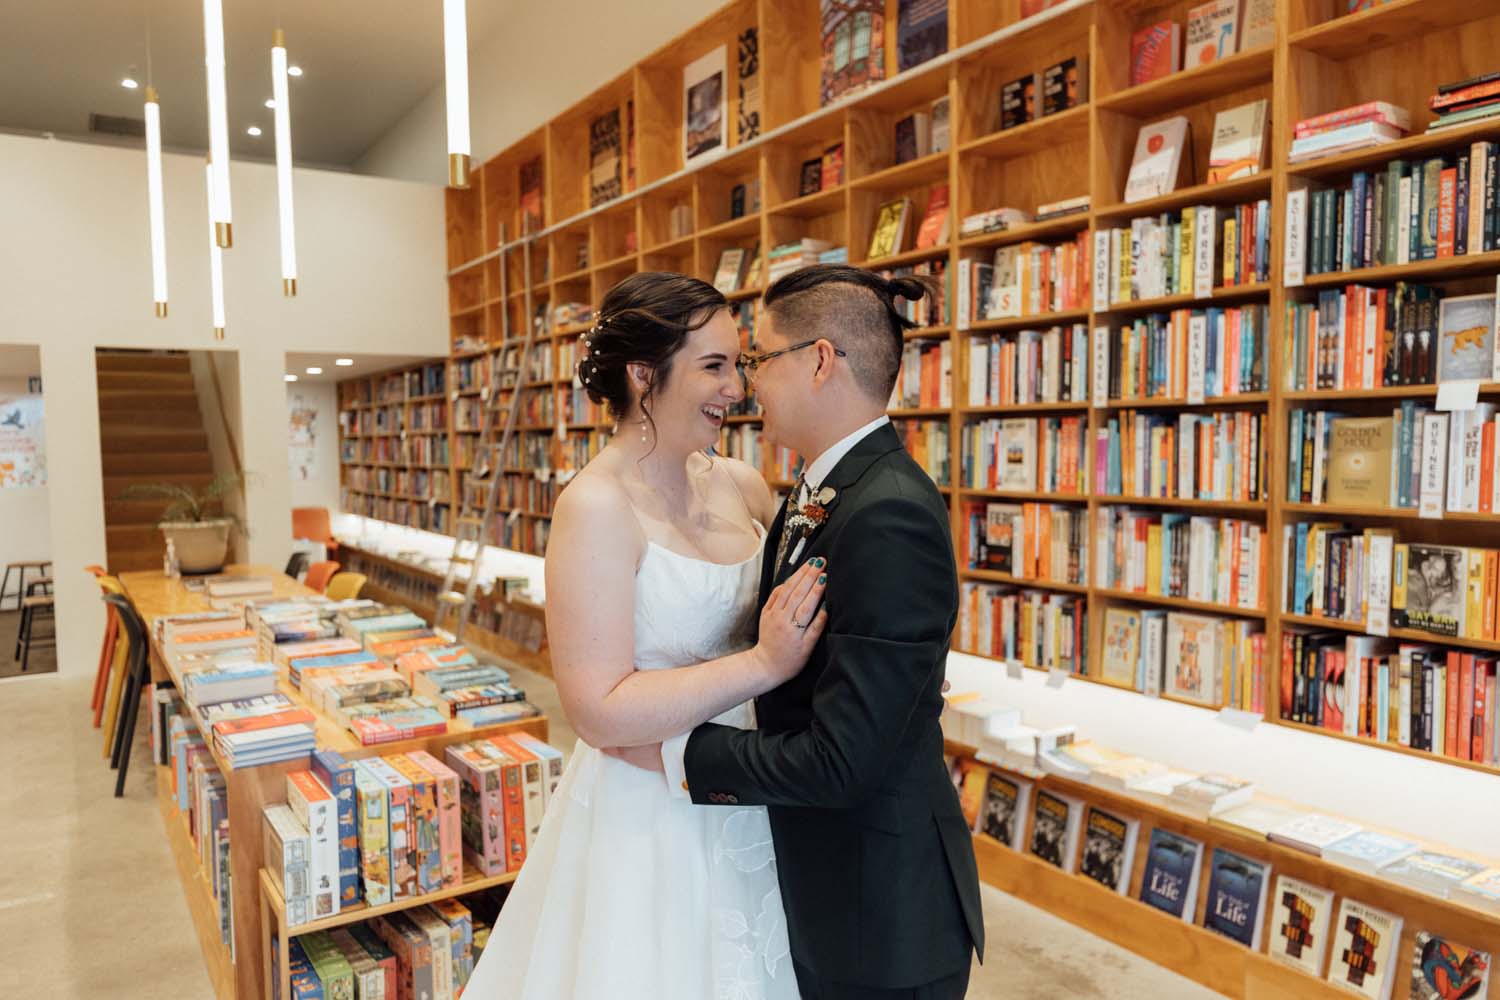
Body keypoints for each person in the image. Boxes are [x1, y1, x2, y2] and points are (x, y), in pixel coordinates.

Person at [464, 271, 824, 999]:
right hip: (651, 807)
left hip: (754, 783)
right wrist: (761, 665)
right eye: (715, 366)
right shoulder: (594, 507)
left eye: (741, 365)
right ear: (642, 375)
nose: (738, 388)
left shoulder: (742, 484)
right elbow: (597, 709)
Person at [638, 264, 985, 998]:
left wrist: (682, 749)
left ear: (820, 361)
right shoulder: (824, 484)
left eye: (759, 360)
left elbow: (841, 762)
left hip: (881, 917)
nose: (744, 384)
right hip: (831, 879)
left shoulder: (889, 510)